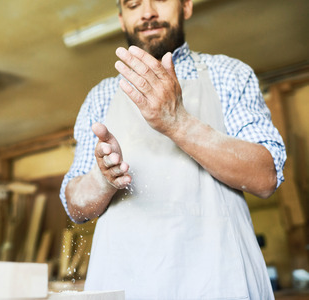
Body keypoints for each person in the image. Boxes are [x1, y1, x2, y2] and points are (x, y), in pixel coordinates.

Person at [60, 0, 286, 299]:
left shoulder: (229, 74)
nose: (148, 12)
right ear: (121, 18)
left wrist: (177, 123)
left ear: (187, 7)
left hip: (218, 281)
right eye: (133, 4)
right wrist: (102, 180)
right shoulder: (100, 97)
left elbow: (265, 176)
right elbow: (75, 206)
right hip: (126, 281)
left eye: (161, 0)